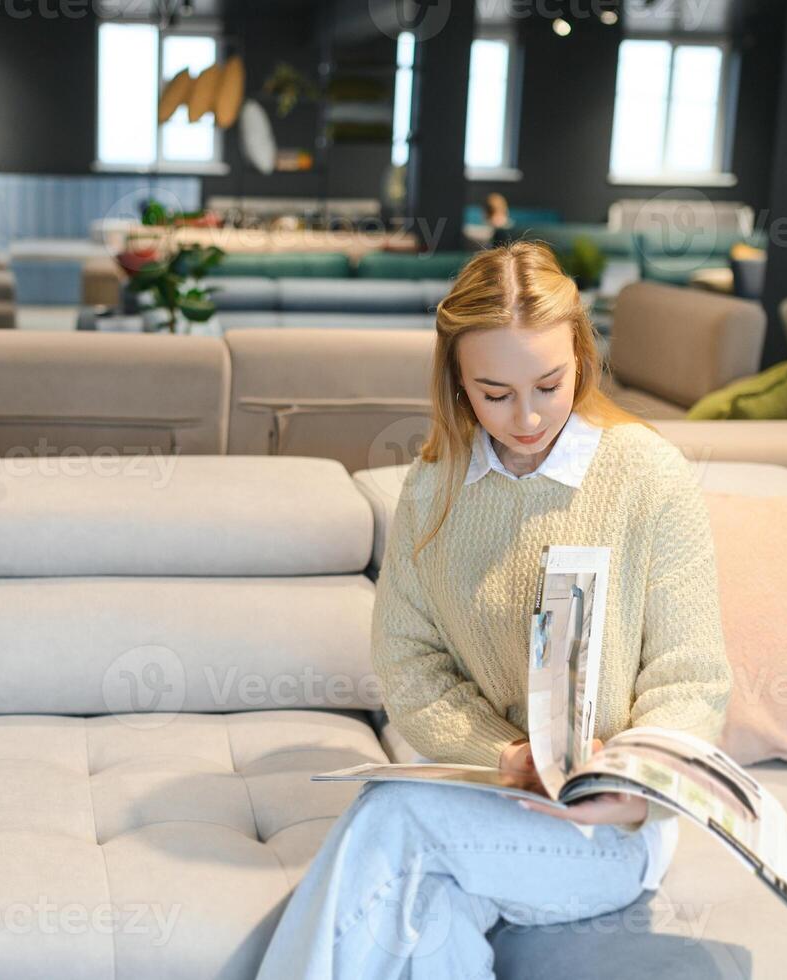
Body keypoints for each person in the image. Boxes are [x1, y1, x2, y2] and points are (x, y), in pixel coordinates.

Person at [255, 242, 732, 980]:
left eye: (549, 384)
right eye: (494, 392)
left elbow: (689, 676)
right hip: (483, 793)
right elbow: (410, 667)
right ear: (456, 382)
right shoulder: (432, 487)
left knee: (393, 816)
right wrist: (505, 758)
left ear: (579, 354)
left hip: (603, 828)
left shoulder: (646, 475)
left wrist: (633, 789)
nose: (527, 416)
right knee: (421, 918)